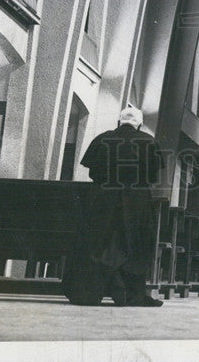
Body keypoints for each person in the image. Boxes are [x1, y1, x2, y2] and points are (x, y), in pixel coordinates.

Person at [62, 104, 164, 307]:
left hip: (103, 200)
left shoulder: (102, 139)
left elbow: (93, 173)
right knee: (134, 244)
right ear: (140, 124)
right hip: (136, 201)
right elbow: (153, 176)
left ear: (119, 121)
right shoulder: (149, 142)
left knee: (98, 243)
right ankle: (130, 294)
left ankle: (89, 293)